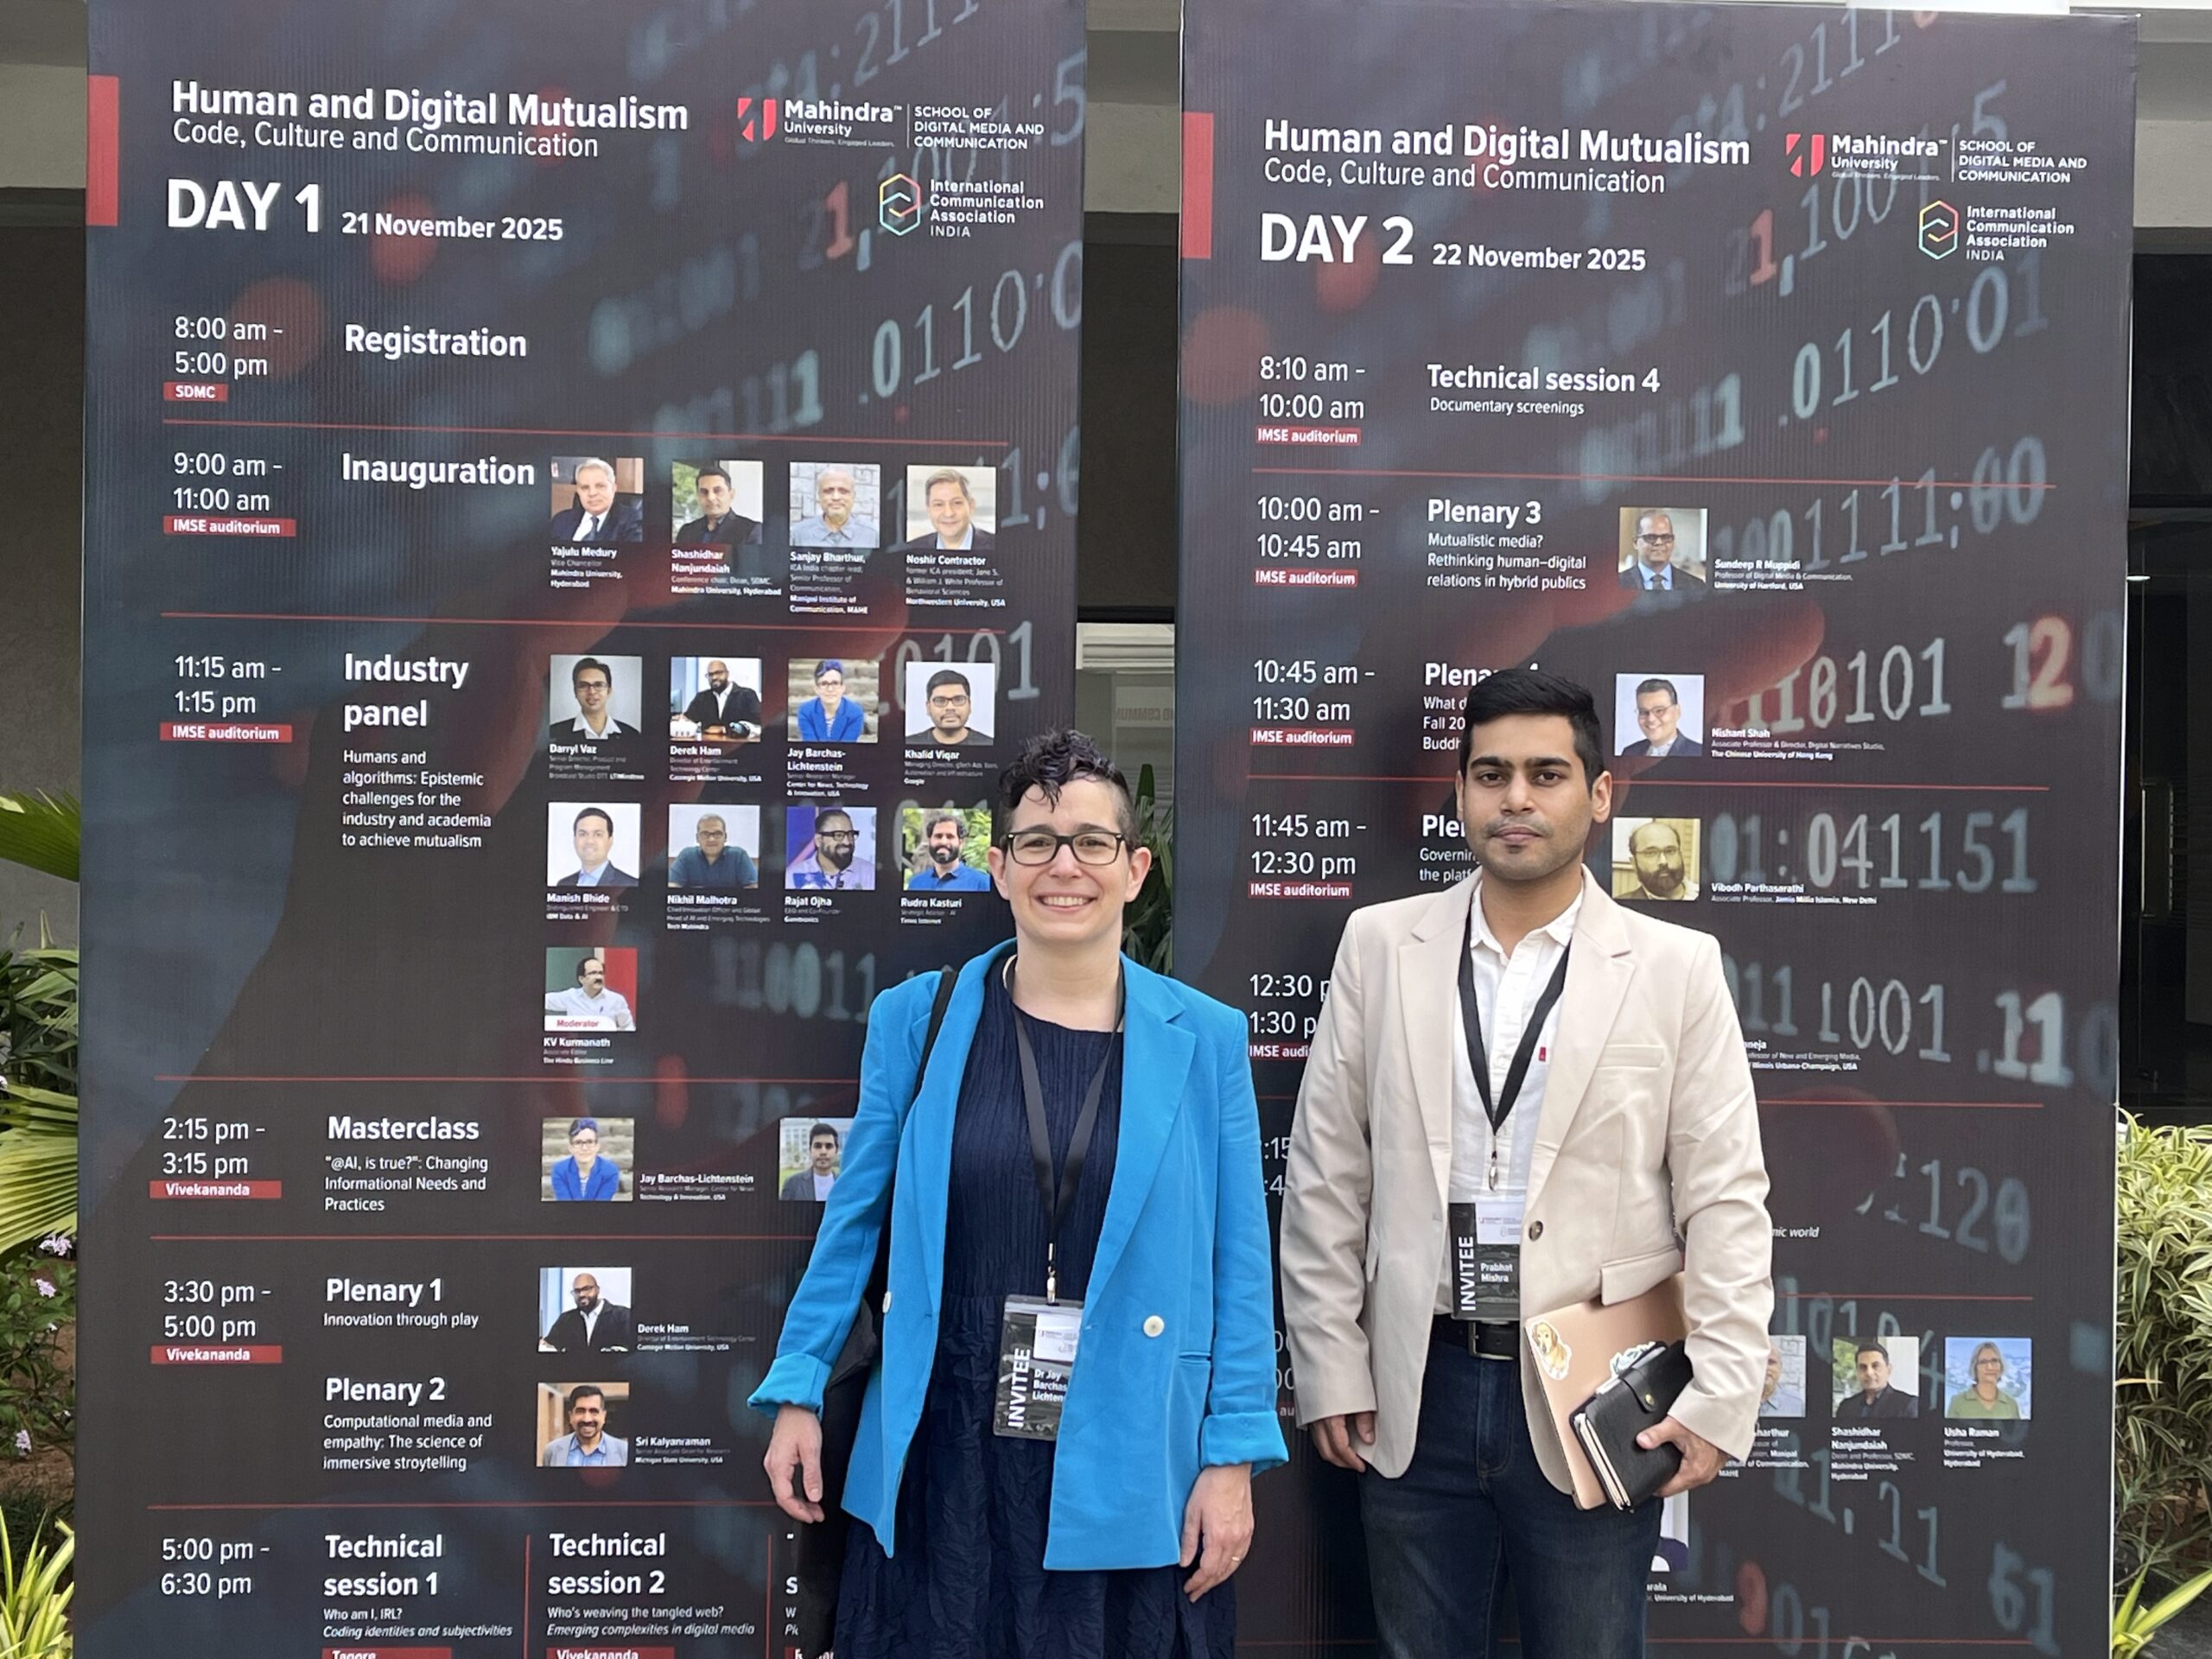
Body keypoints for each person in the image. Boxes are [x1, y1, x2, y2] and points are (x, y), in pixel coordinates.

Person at [752, 730, 1285, 1658]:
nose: (1063, 866)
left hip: (1130, 1438)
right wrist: (800, 1384)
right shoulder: (916, 1020)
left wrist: (1232, 1454)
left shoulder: (1204, 1038)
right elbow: (854, 1222)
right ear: (998, 868)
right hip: (945, 1440)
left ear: (1135, 870)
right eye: (1037, 842)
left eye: (1091, 842)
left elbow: (1239, 1259)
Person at [1279, 668, 1772, 1659]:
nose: (1515, 798)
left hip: (1598, 1390)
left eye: (1546, 774)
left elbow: (1724, 1197)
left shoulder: (1674, 968)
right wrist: (1329, 1364)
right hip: (1415, 1382)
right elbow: (1328, 1174)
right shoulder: (1380, 946)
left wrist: (1719, 1395)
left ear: (1599, 795)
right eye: (1490, 774)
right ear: (1460, 792)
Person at [548, 658, 645, 759]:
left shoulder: (632, 736)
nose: (592, 691)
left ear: (609, 691)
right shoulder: (555, 733)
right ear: (575, 692)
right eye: (583, 685)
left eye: (599, 685)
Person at [899, 468, 995, 551]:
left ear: (971, 506)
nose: (948, 513)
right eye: (939, 504)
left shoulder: (997, 544)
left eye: (957, 503)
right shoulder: (911, 549)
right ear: (928, 509)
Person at [549, 459, 643, 543]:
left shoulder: (632, 520)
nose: (592, 493)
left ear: (613, 488)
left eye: (600, 486)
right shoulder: (560, 520)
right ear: (578, 491)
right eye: (585, 487)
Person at [785, 807, 875, 891]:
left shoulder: (870, 873)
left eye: (850, 835)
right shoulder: (791, 877)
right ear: (819, 840)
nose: (847, 842)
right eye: (838, 835)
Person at [543, 1273, 636, 1353]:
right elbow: (549, 1345)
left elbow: (635, 1349)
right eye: (577, 1291)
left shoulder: (623, 1316)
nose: (581, 1294)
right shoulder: (566, 1319)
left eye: (586, 1289)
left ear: (597, 1290)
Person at [791, 466, 880, 548]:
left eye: (843, 491)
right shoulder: (799, 534)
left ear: (853, 496)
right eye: (828, 491)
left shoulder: (871, 535)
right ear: (819, 496)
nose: (836, 497)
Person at [541, 1384, 629, 1466]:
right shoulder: (552, 1451)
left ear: (604, 1416)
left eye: (593, 1411)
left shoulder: (625, 1452)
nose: (587, 1419)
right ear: (571, 1416)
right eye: (580, 1411)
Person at [1618, 511, 1702, 596]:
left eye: (1666, 537)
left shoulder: (1696, 586)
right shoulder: (1616, 583)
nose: (1659, 542)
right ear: (1635, 543)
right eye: (1651, 537)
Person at [907, 809, 992, 892]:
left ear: (961, 843)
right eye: (938, 836)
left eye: (950, 837)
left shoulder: (982, 883)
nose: (943, 842)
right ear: (930, 841)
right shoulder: (916, 884)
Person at [675, 466, 760, 546]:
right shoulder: (686, 532)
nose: (710, 498)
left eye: (717, 491)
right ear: (698, 496)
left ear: (731, 495)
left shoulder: (751, 531)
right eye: (704, 492)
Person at [553, 807, 637, 889]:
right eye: (583, 834)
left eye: (598, 834)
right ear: (574, 840)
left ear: (610, 840)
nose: (590, 841)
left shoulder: (630, 885)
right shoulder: (563, 884)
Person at [1619, 678, 1704, 760]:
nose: (1651, 719)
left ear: (1677, 712)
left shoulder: (1699, 752)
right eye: (1644, 712)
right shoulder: (1629, 752)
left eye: (1659, 711)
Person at [670, 814, 759, 890]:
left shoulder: (739, 856)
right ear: (697, 838)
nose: (711, 839)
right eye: (705, 834)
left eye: (717, 834)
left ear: (725, 837)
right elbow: (672, 886)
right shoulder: (686, 856)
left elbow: (753, 888)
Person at [544, 957, 635, 1031]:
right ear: (581, 979)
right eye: (593, 973)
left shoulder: (617, 1000)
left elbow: (628, 1027)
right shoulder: (571, 996)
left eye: (601, 973)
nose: (599, 977)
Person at [1836, 1341, 1919, 1420]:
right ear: (1857, 1372)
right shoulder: (1846, 1407)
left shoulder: (1908, 1404)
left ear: (1889, 1370)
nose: (1869, 1373)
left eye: (1875, 1366)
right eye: (1863, 1367)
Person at [681, 659, 763, 738]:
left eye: (718, 673)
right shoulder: (702, 697)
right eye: (710, 675)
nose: (714, 677)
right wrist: (680, 720)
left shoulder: (747, 695)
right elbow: (689, 719)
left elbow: (758, 725)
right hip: (708, 745)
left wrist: (725, 729)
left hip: (740, 745)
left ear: (727, 674)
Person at [549, 1116, 625, 1199]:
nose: (584, 1148)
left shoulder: (610, 1171)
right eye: (578, 1142)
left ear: (597, 1146)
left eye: (590, 1142)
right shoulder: (560, 1171)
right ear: (571, 1148)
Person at [795, 660, 868, 743]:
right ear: (816, 689)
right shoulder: (805, 711)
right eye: (824, 683)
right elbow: (811, 745)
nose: (830, 689)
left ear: (843, 688)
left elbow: (847, 747)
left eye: (835, 683)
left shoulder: (855, 713)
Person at [1947, 1342, 2022, 1421]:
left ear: (2001, 1366)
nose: (1990, 1367)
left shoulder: (2011, 1404)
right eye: (1983, 1362)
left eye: (1994, 1361)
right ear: (1975, 1367)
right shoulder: (1958, 1402)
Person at [1624, 820, 1695, 901]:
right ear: (1634, 863)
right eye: (1651, 853)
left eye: (1670, 851)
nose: (1663, 862)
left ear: (1680, 855)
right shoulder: (1621, 905)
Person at [914, 669, 982, 748]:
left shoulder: (988, 744)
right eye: (940, 701)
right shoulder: (911, 743)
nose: (950, 707)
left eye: (958, 700)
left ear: (969, 705)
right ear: (928, 707)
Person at [780, 1123, 843, 1201]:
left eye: (829, 1146)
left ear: (836, 1151)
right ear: (810, 1150)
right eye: (818, 1146)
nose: (823, 1152)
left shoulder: (845, 1184)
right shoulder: (792, 1184)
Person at [1758, 1342, 1806, 1419]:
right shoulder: (1738, 1400)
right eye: (1760, 1362)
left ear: (1780, 1368)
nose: (1766, 1368)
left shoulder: (1797, 1404)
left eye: (1771, 1362)